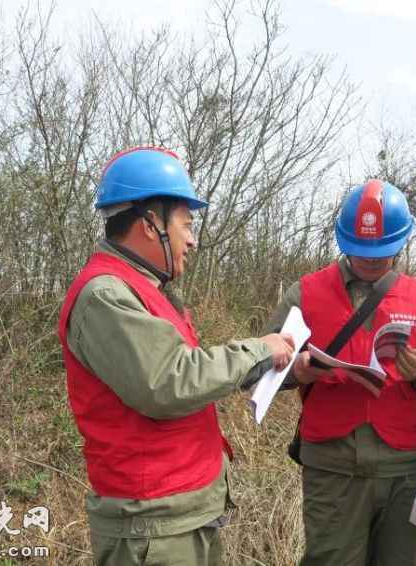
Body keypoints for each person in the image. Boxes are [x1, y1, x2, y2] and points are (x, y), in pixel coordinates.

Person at [58, 146, 295, 566]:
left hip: (179, 517)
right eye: (186, 224)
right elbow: (169, 381)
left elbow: (185, 375)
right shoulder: (106, 296)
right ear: (151, 224)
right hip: (152, 529)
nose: (192, 238)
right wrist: (259, 350)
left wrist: (267, 364)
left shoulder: (144, 289)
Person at [266, 179, 416, 566]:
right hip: (333, 470)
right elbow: (264, 369)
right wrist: (298, 371)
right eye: (361, 250)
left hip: (408, 472)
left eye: (383, 251)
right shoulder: (304, 294)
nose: (372, 259)